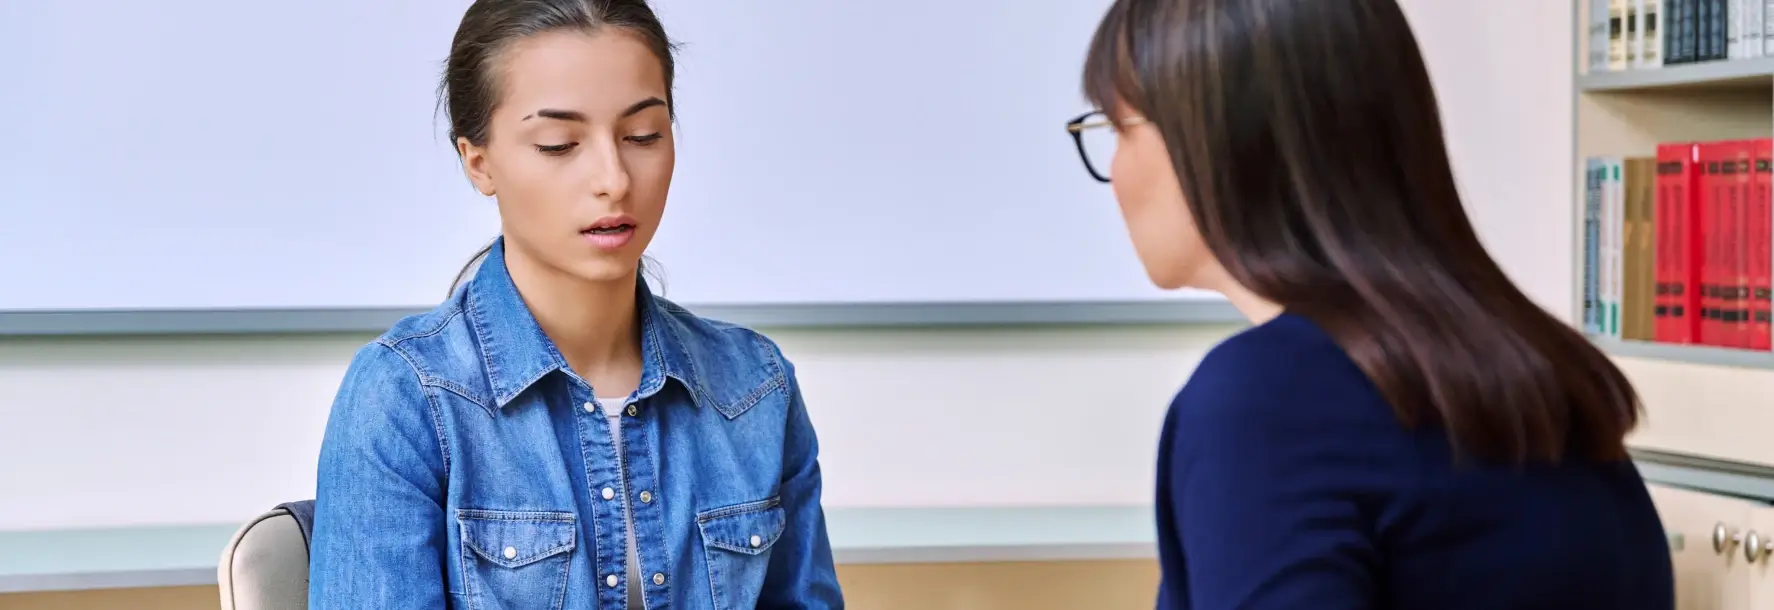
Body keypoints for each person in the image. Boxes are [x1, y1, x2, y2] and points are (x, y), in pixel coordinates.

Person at [1067, 0, 1675, 608]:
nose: (1114, 170)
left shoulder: (1264, 401)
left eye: (1117, 129)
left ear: (1216, 140)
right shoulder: (1545, 375)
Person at [305, 1, 843, 608]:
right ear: (477, 162)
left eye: (643, 136)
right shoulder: (404, 397)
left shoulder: (755, 386)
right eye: (560, 144)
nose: (613, 178)